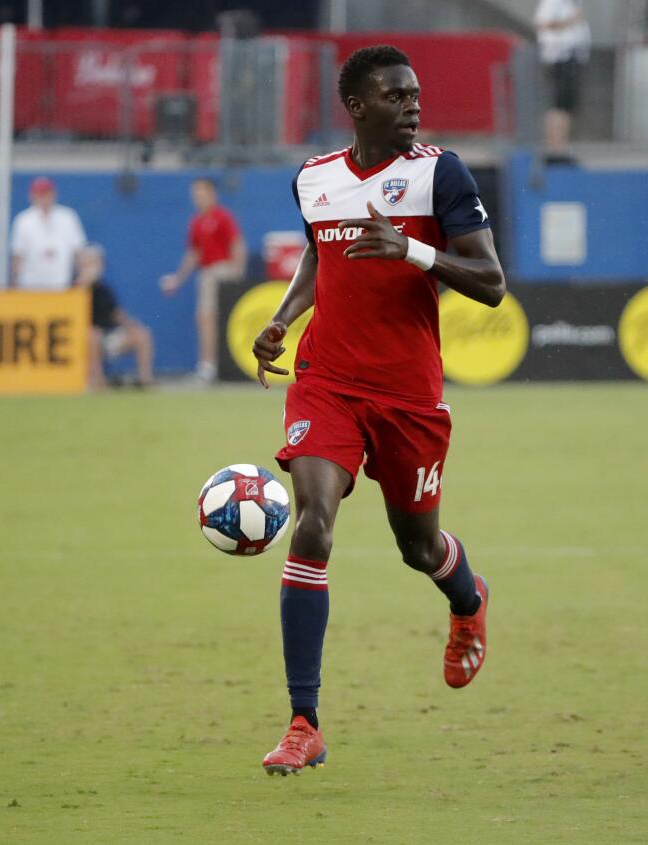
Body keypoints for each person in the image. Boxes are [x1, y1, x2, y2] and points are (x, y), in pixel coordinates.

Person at [250, 45, 506, 776]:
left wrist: (412, 254)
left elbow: (491, 281)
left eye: (416, 94)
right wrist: (284, 319)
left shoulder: (440, 172)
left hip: (408, 395)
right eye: (397, 96)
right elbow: (318, 255)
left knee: (418, 548)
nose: (414, 105)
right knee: (314, 523)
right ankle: (304, 721)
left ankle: (468, 595)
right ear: (357, 106)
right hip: (326, 380)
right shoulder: (315, 178)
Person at [158, 178, 246, 382]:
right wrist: (178, 279)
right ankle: (208, 365)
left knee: (207, 317)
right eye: (195, 195)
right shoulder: (196, 222)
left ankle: (209, 365)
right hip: (206, 274)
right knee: (205, 318)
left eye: (201, 194)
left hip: (221, 271)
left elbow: (237, 244)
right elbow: (194, 254)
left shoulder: (222, 217)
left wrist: (236, 272)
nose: (197, 199)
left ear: (212, 194)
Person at [74, 244, 155, 390]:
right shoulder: (74, 287)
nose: (92, 267)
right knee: (93, 335)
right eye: (88, 263)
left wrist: (131, 326)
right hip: (82, 340)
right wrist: (83, 284)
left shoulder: (104, 289)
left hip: (108, 337)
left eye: (95, 263)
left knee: (142, 334)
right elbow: (70, 310)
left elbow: (115, 313)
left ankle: (144, 380)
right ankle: (98, 383)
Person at [533, 0, 591, 161]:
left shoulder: (570, 4)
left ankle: (560, 146)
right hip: (561, 57)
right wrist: (569, 21)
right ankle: (556, 148)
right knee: (560, 104)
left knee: (566, 105)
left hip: (572, 57)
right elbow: (542, 24)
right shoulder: (552, 3)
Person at [10, 177, 87, 290]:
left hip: (60, 284)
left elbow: (78, 250)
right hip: (30, 285)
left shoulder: (68, 217)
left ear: (54, 194)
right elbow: (17, 254)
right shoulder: (23, 220)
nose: (44, 198)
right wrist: (14, 283)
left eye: (47, 194)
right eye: (40, 194)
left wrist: (80, 277)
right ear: (32, 196)